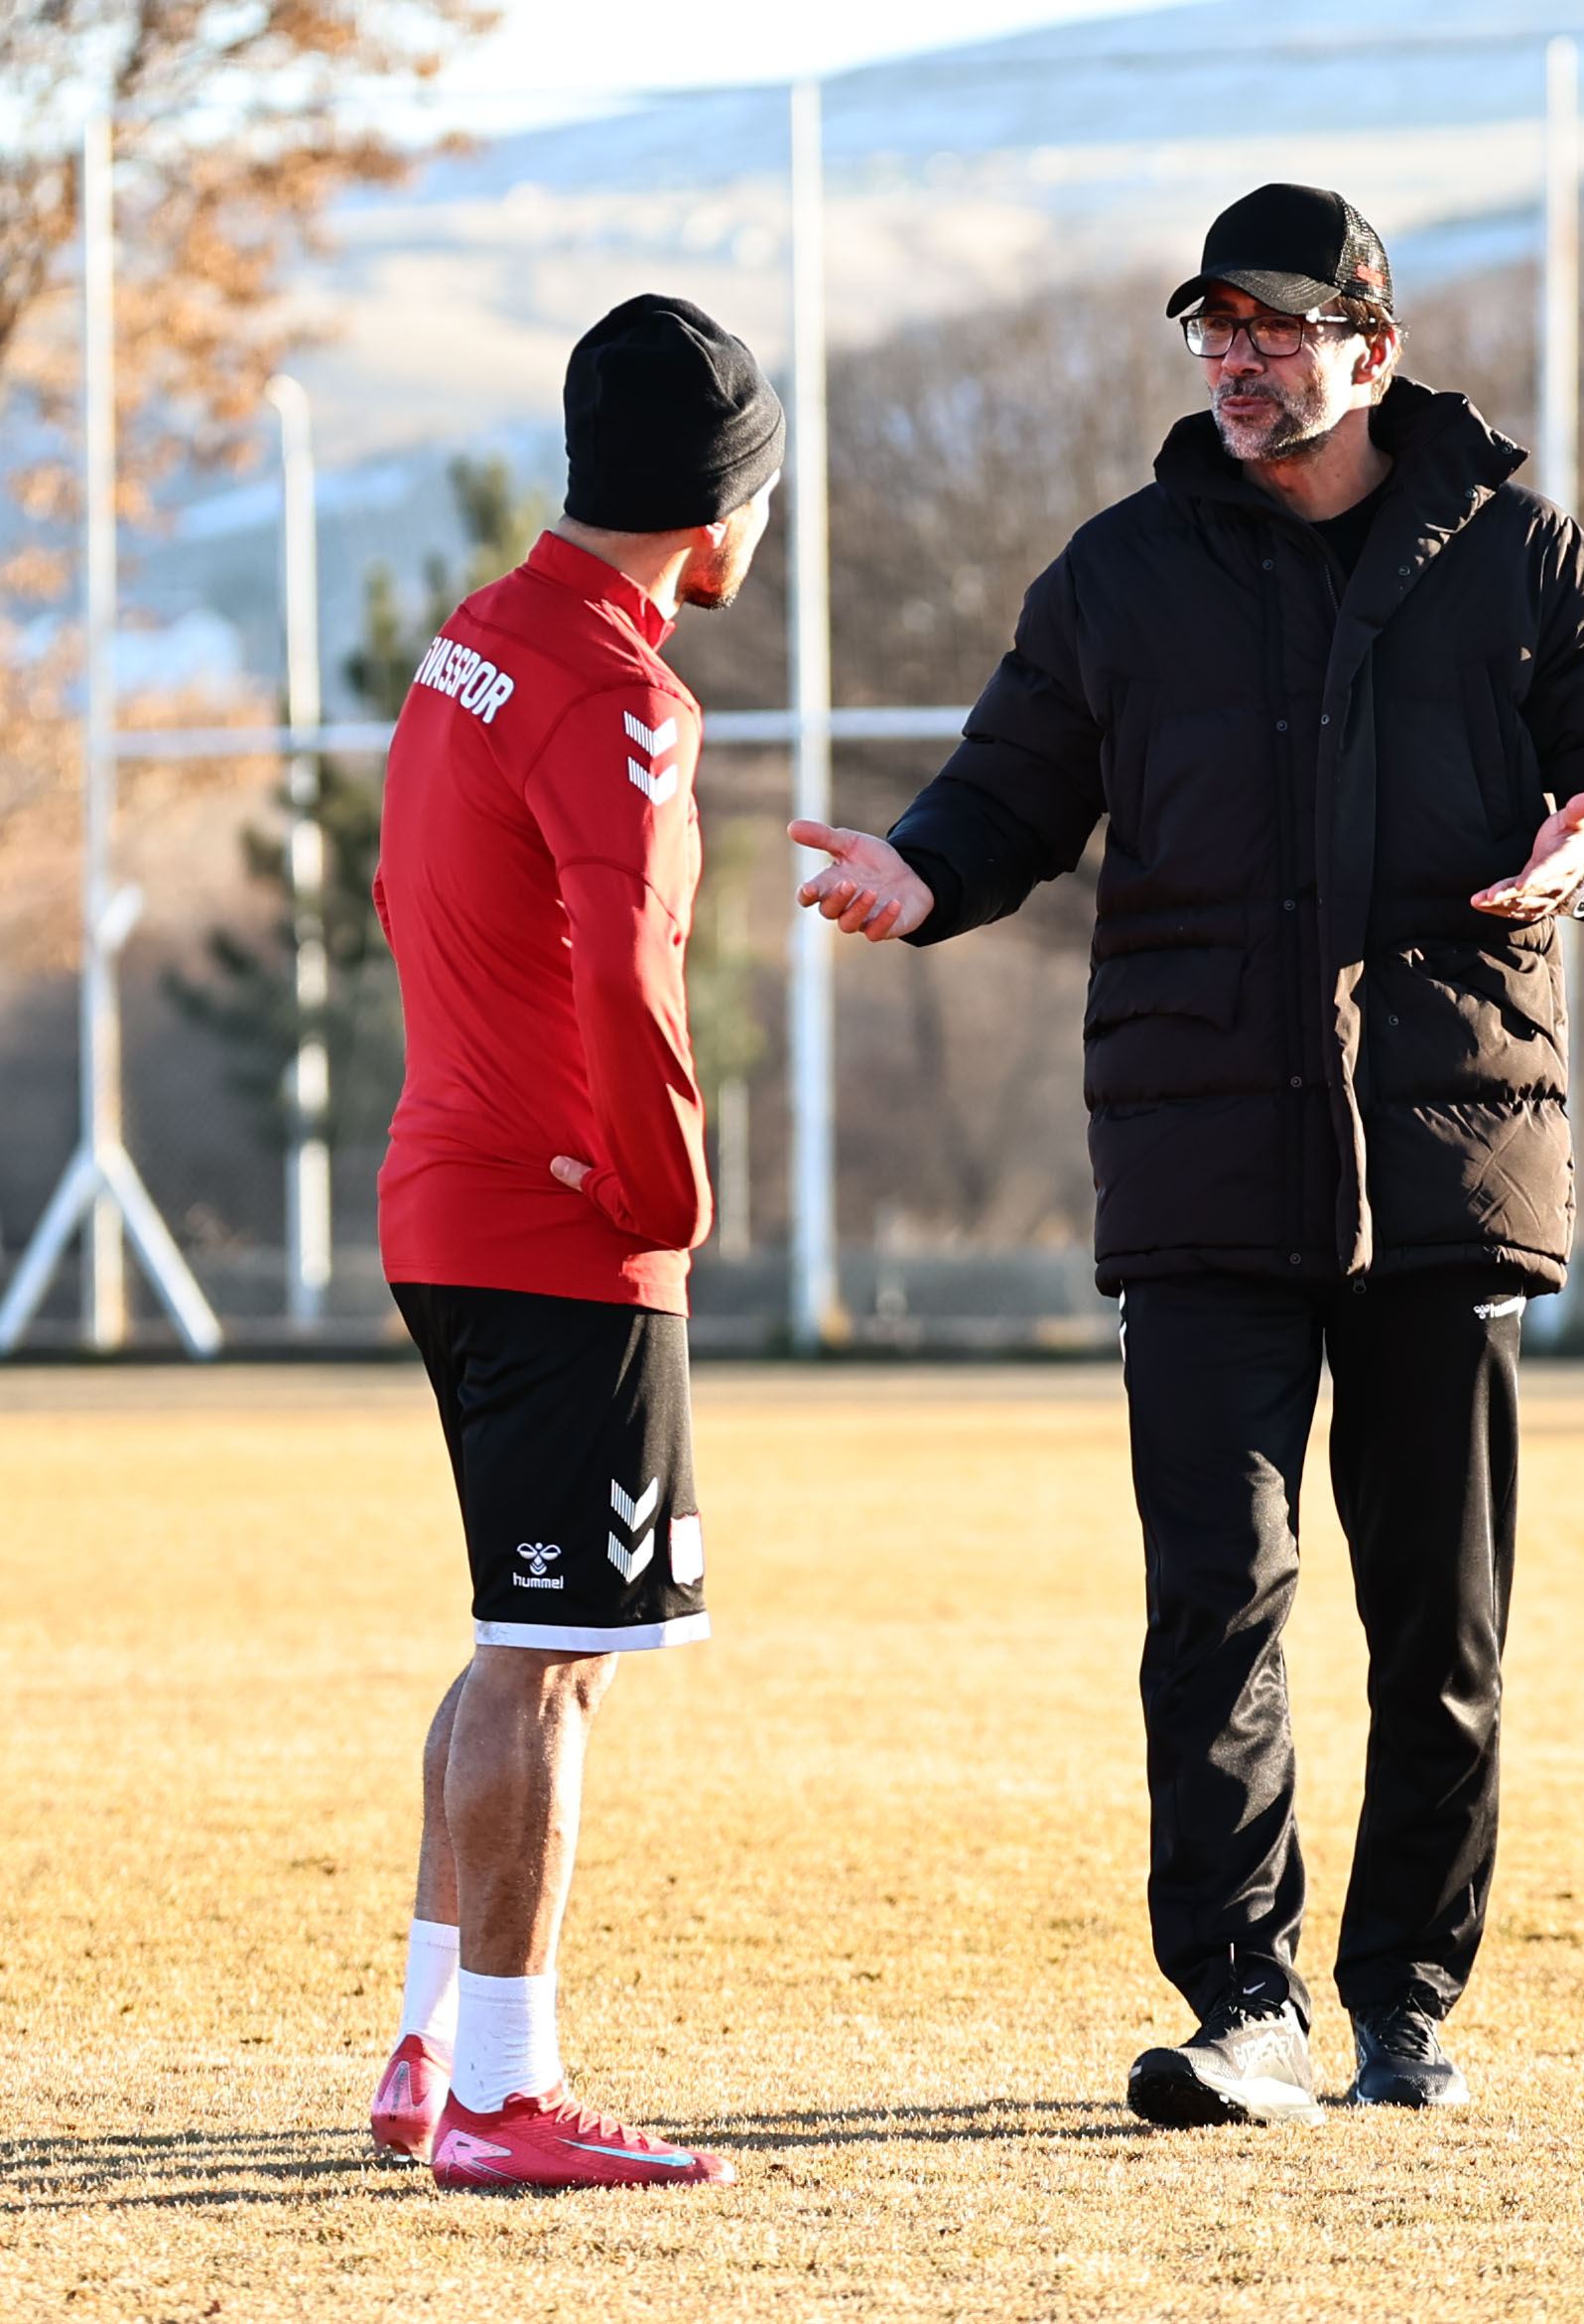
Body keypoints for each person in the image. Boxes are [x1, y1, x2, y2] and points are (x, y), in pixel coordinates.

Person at [790, 184, 1584, 2126]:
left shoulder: (1525, 562)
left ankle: (1398, 2006)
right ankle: (1244, 2006)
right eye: (1210, 326)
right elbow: (1008, 786)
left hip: (1446, 1165)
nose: (1233, 356)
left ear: (1367, 346)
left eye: (1274, 326)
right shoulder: (1116, 576)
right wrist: (920, 867)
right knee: (1211, 1597)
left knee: (1436, 1634)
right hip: (1201, 1170)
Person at [366, 293, 782, 2191]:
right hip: (555, 1226)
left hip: (445, 1191)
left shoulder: (474, 638)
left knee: (516, 1636)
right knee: (551, 1653)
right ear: (718, 519)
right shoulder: (626, 691)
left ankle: (431, 2035)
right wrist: (663, 1183)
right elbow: (626, 960)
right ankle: (501, 2098)